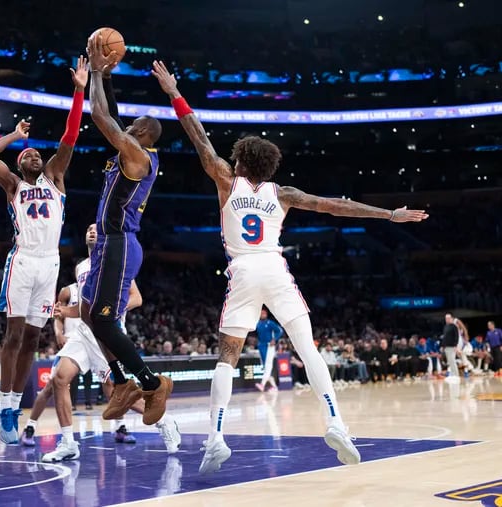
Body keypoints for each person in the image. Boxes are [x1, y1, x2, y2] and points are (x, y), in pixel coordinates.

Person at [151, 59, 429, 473]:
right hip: (276, 270)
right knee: (307, 348)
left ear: (241, 160)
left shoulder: (226, 179)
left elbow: (198, 138)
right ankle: (336, 423)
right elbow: (336, 206)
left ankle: (216, 439)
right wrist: (388, 215)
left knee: (227, 356)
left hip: (243, 271)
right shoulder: (284, 193)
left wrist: (174, 92)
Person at [0, 56, 88, 444]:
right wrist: (14, 135)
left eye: (34, 154)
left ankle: (14, 401)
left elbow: (71, 136)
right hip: (23, 260)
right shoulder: (13, 186)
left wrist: (79, 89)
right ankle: (6, 405)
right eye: (26, 155)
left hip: (50, 263)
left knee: (32, 338)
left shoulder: (56, 176)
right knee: (12, 335)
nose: (32, 156)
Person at [22, 224, 181, 460]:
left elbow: (136, 297)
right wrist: (65, 312)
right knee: (59, 379)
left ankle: (164, 420)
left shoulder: (115, 261)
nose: (92, 231)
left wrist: (110, 310)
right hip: (84, 332)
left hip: (107, 331)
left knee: (115, 392)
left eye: (97, 229)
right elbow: (85, 308)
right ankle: (68, 443)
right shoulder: (81, 267)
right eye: (88, 229)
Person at [82, 34, 171, 428]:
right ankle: (121, 382)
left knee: (103, 321)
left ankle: (151, 383)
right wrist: (106, 78)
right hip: (107, 243)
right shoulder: (132, 148)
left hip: (120, 244)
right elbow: (113, 116)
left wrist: (97, 72)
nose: (127, 126)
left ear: (145, 134)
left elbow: (102, 119)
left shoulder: (138, 154)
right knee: (89, 312)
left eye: (133, 126)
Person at [255, 308, 283, 391]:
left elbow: (280, 331)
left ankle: (262, 384)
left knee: (268, 365)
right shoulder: (258, 324)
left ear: (266, 314)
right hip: (261, 346)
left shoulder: (270, 323)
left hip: (269, 346)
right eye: (261, 313)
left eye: (264, 313)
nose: (262, 314)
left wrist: (274, 339)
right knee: (265, 366)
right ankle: (274, 386)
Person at [442, 313, 461, 382]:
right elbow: (445, 337)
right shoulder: (446, 327)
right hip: (446, 347)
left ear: (451, 318)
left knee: (452, 361)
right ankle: (453, 374)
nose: (447, 320)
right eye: (446, 318)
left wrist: (456, 346)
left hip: (452, 346)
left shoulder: (454, 326)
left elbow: (456, 337)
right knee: (450, 361)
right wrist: (443, 346)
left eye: (448, 318)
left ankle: (456, 375)